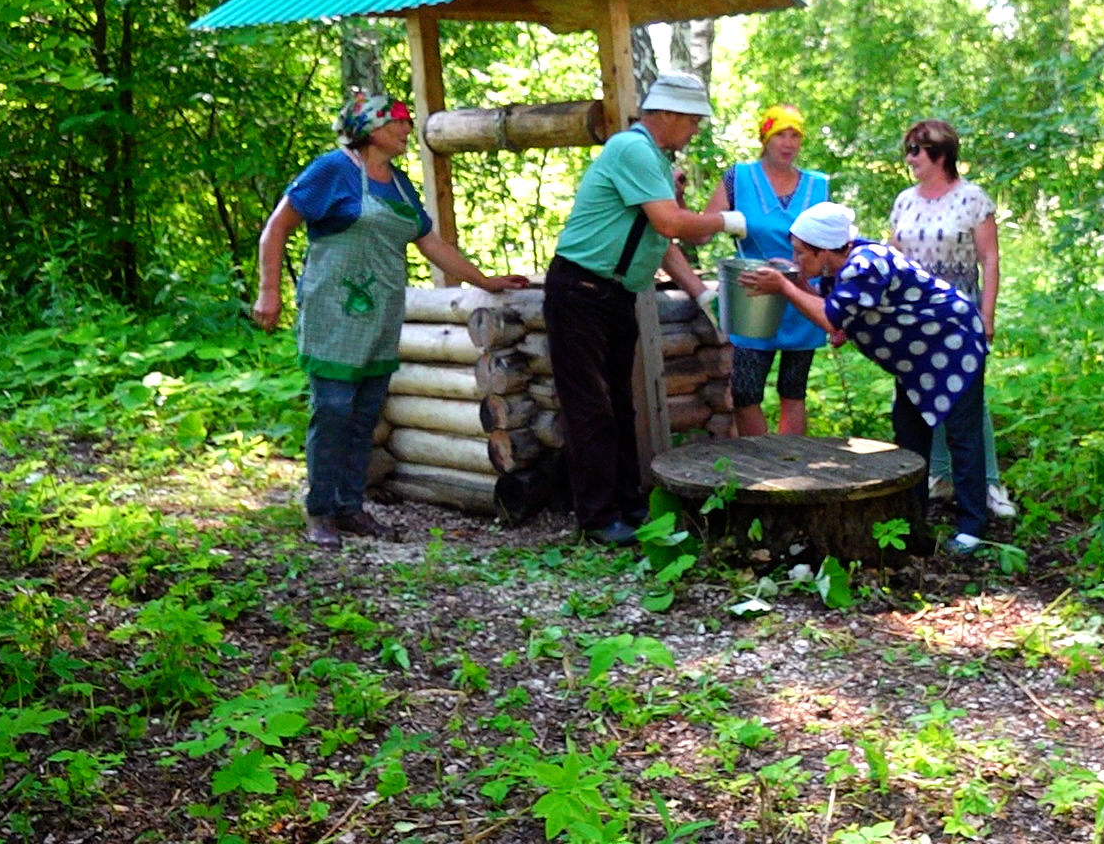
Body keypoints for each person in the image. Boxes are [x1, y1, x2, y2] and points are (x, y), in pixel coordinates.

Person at [254, 92, 530, 548]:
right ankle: (320, 510)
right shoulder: (331, 171)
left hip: (381, 313)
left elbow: (431, 244)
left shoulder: (398, 184)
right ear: (371, 128)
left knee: (364, 413)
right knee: (334, 409)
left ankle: (350, 507)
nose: (407, 130)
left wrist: (485, 279)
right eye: (399, 122)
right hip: (333, 313)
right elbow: (276, 228)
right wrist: (270, 292)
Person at [545, 72, 747, 546]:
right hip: (580, 289)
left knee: (619, 403)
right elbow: (672, 223)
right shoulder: (632, 149)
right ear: (670, 114)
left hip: (612, 295)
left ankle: (629, 505)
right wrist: (727, 219)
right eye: (692, 121)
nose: (695, 130)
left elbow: (659, 239)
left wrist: (699, 292)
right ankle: (597, 517)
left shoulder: (653, 159)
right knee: (591, 407)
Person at [739, 201, 995, 556]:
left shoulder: (866, 264)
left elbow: (831, 318)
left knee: (961, 435)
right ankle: (913, 518)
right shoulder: (843, 263)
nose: (797, 259)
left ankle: (972, 527)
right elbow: (837, 310)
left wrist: (784, 287)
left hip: (953, 343)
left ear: (825, 250)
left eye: (801, 254)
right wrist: (798, 281)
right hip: (917, 357)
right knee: (909, 433)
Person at [889, 119, 1015, 519]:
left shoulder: (972, 199)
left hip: (958, 315)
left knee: (965, 401)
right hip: (913, 317)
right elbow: (893, 256)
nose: (909, 159)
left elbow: (989, 258)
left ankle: (988, 483)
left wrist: (987, 314)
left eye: (916, 151)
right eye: (907, 150)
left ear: (940, 155)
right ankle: (937, 476)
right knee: (919, 394)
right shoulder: (905, 201)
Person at [702, 105, 829, 436]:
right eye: (780, 135)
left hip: (802, 296)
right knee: (745, 392)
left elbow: (833, 245)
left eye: (795, 136)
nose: (788, 143)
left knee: (793, 390)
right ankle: (758, 469)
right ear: (764, 138)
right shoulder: (738, 178)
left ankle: (792, 469)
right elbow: (702, 231)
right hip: (753, 295)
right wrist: (675, 200)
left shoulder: (818, 186)